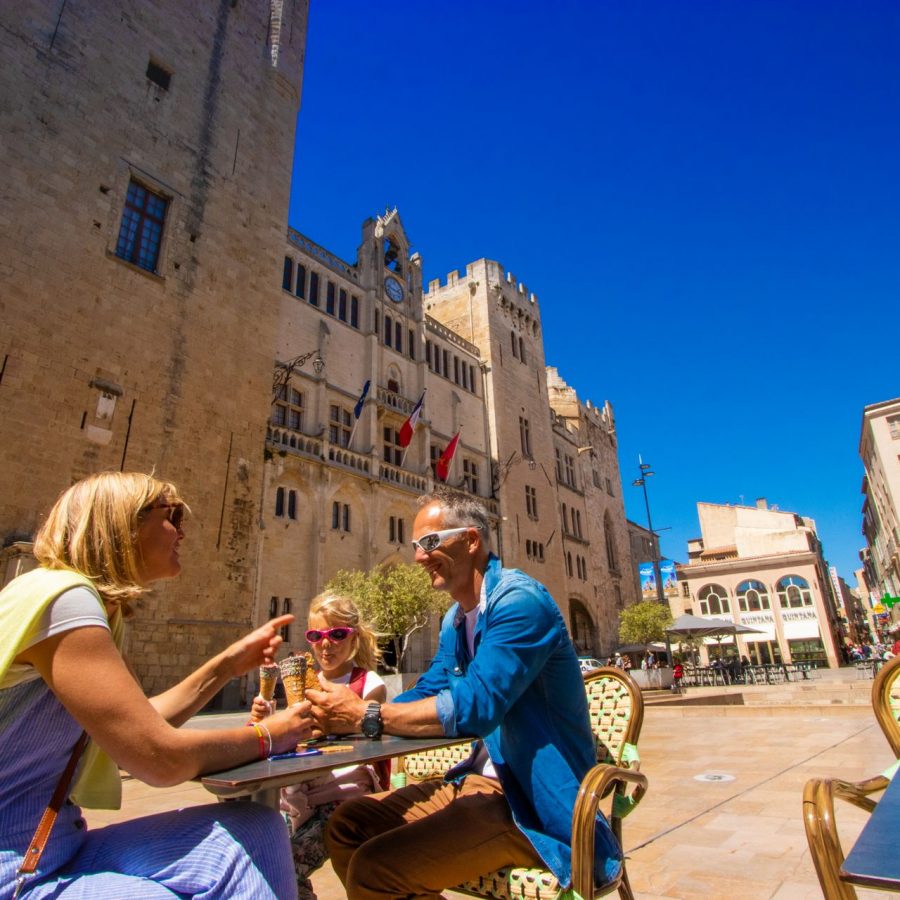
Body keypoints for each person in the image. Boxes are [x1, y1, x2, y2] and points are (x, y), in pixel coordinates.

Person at [0, 472, 313, 899]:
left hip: (55, 844)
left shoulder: (76, 601)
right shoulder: (64, 600)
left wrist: (226, 664)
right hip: (14, 864)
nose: (182, 530)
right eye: (173, 515)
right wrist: (269, 736)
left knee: (256, 828)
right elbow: (157, 758)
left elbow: (140, 723)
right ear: (123, 524)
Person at [307, 488, 622, 898]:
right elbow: (428, 689)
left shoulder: (520, 602)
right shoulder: (455, 620)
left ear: (471, 540)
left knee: (374, 868)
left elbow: (476, 706)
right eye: (417, 546)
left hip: (528, 805)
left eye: (431, 543)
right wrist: (341, 722)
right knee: (348, 824)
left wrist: (367, 717)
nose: (419, 557)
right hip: (473, 785)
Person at [251, 592, 387, 900]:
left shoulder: (369, 684)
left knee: (280, 865)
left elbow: (372, 737)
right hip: (300, 797)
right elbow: (289, 735)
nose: (326, 644)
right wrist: (267, 718)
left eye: (337, 634)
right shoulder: (302, 686)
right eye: (316, 635)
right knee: (260, 851)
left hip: (343, 796)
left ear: (354, 637)